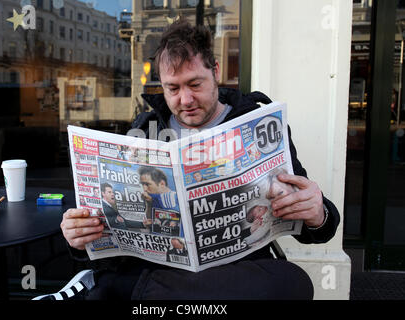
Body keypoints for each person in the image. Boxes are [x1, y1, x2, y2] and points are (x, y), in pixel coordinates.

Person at [60, 19, 340, 300]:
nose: (185, 99)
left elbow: (316, 229)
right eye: (173, 88)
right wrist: (80, 240)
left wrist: (318, 213)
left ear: (215, 71)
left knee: (294, 283)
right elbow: (112, 242)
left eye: (195, 84)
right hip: (163, 268)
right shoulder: (144, 131)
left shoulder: (257, 123)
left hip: (234, 272)